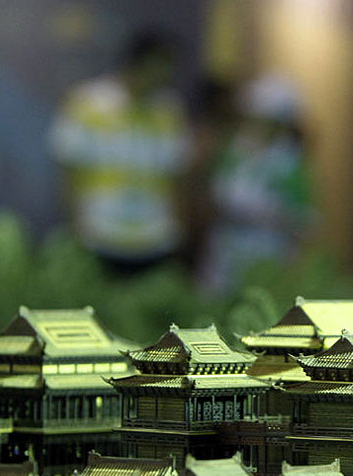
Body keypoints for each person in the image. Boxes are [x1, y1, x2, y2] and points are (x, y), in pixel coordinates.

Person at [49, 31, 189, 271]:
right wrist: (74, 226)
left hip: (154, 240)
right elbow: (67, 169)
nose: (163, 79)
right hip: (98, 235)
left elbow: (177, 176)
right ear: (137, 64)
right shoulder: (87, 102)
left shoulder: (170, 111)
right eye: (158, 70)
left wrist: (178, 230)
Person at [197, 75, 314, 293]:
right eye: (252, 118)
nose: (256, 126)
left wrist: (271, 219)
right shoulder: (232, 151)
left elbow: (306, 223)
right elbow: (211, 194)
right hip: (224, 255)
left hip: (268, 257)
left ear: (280, 125)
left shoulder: (290, 164)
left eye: (265, 121)